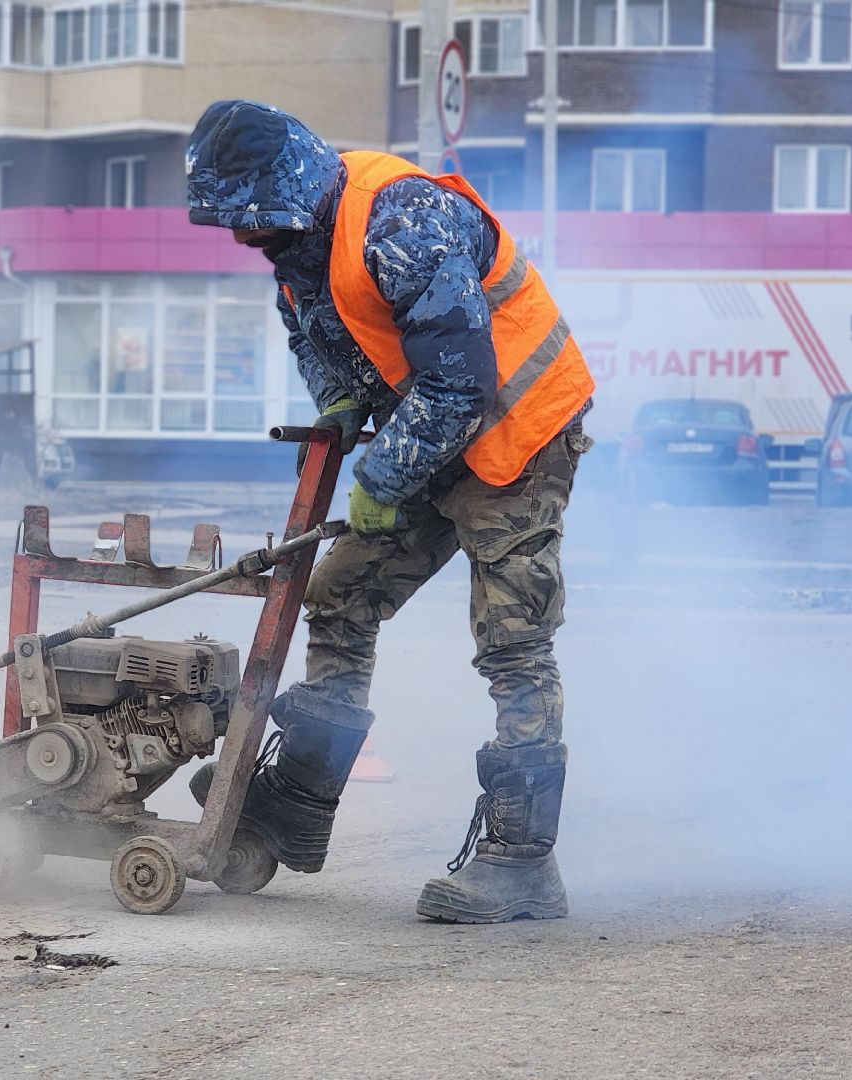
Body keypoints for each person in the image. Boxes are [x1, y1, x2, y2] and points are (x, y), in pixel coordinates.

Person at [184, 101, 594, 923]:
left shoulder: (399, 219)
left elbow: (459, 381)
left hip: (518, 432)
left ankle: (522, 864)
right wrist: (337, 401)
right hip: (433, 435)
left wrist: (380, 477)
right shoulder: (299, 237)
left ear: (287, 185)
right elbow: (318, 333)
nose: (241, 238)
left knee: (514, 638)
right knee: (341, 597)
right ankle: (298, 804)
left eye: (247, 218)